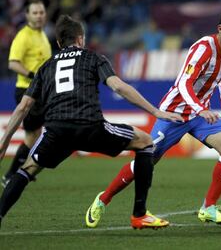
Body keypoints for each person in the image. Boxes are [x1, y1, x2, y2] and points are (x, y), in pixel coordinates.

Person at [0, 15, 183, 229]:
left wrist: (4, 141)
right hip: (90, 127)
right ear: (81, 38)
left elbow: (23, 107)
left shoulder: (45, 67)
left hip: (56, 131)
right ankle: (139, 214)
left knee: (27, 169)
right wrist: (155, 111)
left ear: (59, 43)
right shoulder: (93, 58)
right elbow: (118, 87)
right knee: (145, 143)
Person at [85, 6, 221, 228]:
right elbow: (184, 83)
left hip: (200, 114)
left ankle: (208, 208)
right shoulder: (203, 49)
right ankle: (103, 199)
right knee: (147, 160)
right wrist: (200, 108)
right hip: (174, 112)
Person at [2, 0, 52, 188]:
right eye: (35, 13)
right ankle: (11, 174)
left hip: (40, 92)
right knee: (32, 135)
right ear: (27, 15)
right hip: (26, 91)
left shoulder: (42, 36)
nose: (39, 15)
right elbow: (12, 63)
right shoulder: (23, 36)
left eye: (41, 12)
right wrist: (34, 75)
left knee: (36, 133)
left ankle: (21, 170)